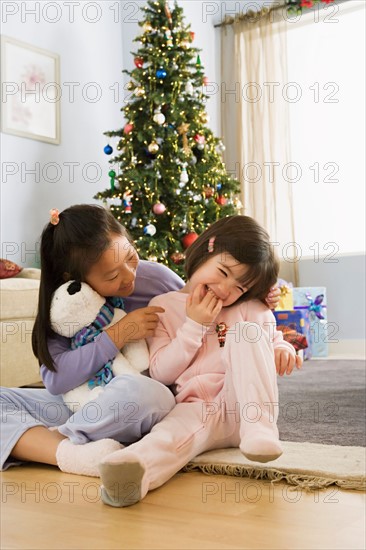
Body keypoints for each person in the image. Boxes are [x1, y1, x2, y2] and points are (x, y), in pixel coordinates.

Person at [0, 206, 280, 478]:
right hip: (82, 402)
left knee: (144, 392)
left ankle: (58, 439)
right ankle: (71, 453)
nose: (129, 276)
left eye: (130, 257)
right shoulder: (62, 304)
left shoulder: (154, 278)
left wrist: (256, 294)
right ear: (73, 278)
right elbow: (57, 382)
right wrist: (117, 335)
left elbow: (193, 301)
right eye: (112, 275)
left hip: (136, 400)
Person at [98, 215, 302, 507]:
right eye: (222, 271)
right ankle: (131, 474)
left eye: (239, 287)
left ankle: (259, 428)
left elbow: (269, 338)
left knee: (247, 333)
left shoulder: (249, 307)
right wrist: (193, 325)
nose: (225, 289)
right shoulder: (164, 306)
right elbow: (160, 373)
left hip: (242, 403)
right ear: (208, 247)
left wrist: (282, 348)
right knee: (167, 436)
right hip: (196, 408)